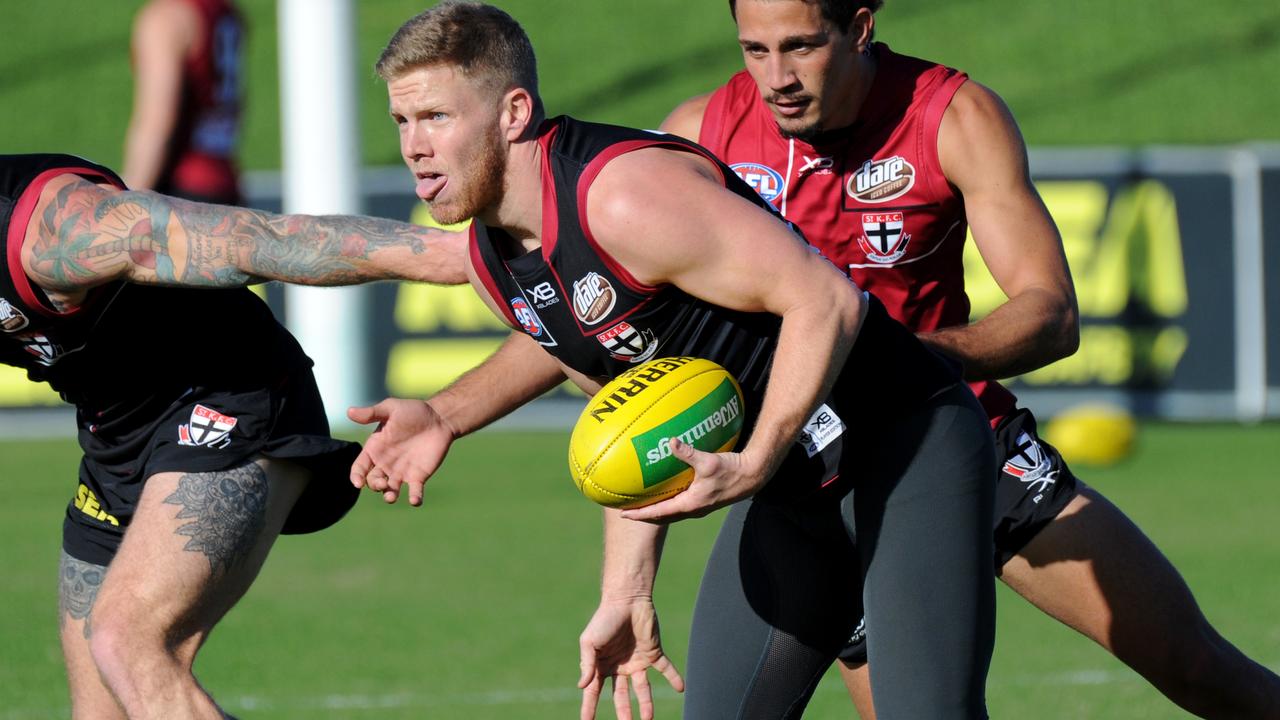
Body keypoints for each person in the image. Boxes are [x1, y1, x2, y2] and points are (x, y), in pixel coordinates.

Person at [348, 3, 998, 718]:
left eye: (436, 117)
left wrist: (755, 460)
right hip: (792, 493)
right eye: (402, 122)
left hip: (904, 446)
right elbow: (639, 410)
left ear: (512, 112)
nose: (414, 146)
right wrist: (625, 592)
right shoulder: (495, 260)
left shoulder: (623, 197)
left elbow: (827, 301)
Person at [659, 1, 1280, 718]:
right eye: (754, 50)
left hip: (960, 440)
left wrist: (893, 358)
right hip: (821, 486)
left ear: (859, 27)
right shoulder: (696, 137)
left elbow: (1051, 312)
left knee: (1196, 665)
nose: (777, 77)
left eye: (801, 47)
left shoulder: (952, 116)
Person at [2, 152, 466, 719]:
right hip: (113, 434)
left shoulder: (60, 230)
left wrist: (464, 257)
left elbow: (264, 240)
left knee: (128, 640)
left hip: (227, 393)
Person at [123, 0, 245, 204]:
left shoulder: (167, 17)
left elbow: (157, 123)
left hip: (179, 190)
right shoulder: (224, 10)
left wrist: (128, 203)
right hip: (225, 184)